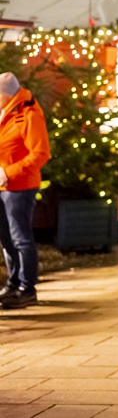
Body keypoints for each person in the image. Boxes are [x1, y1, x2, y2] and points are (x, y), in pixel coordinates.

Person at [0, 72, 50, 309]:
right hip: (2, 185)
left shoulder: (28, 114)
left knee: (20, 238)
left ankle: (26, 288)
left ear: (5, 95)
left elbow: (40, 153)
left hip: (20, 187)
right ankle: (13, 284)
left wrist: (9, 172)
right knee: (6, 238)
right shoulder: (5, 112)